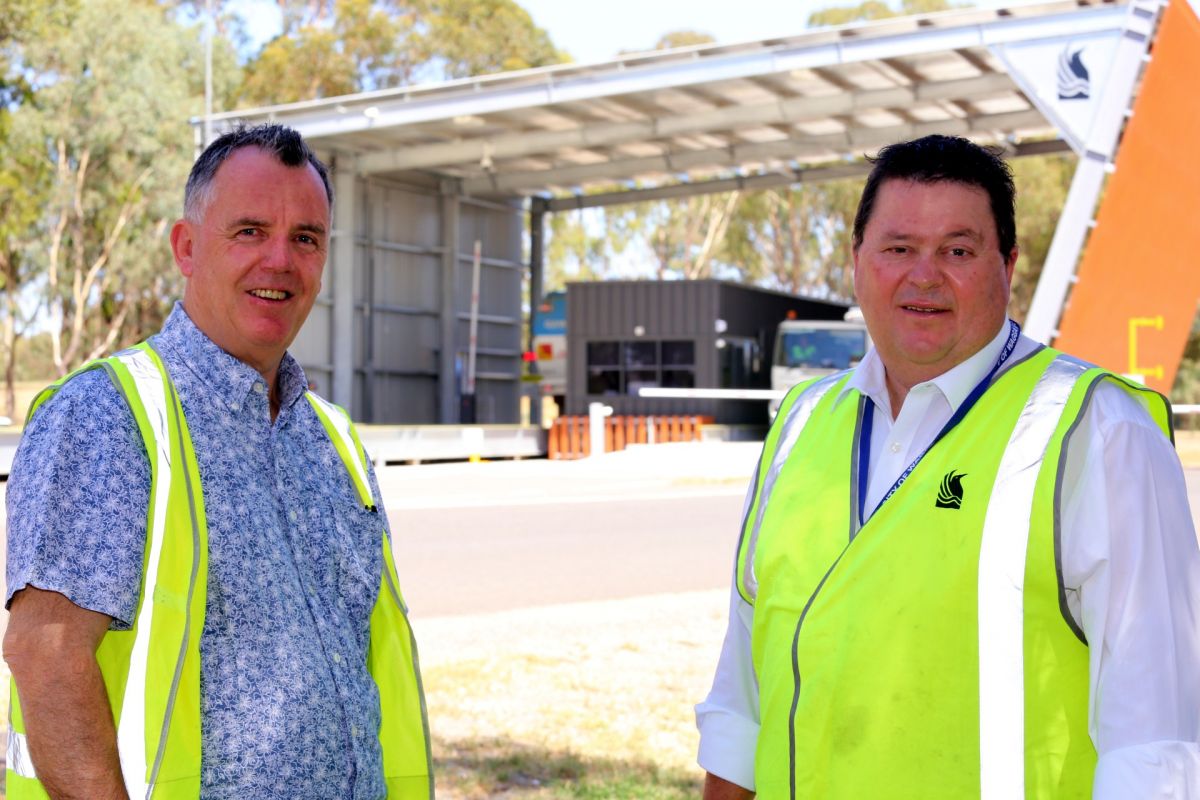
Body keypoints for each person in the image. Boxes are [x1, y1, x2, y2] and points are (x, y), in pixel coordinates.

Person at [695, 135, 1200, 799]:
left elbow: (1156, 750)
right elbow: (743, 696)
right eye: (899, 249)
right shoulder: (800, 424)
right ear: (856, 262)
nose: (924, 275)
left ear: (1007, 264)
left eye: (958, 251)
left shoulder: (1099, 434)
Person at [4, 124, 432, 799]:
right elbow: (46, 655)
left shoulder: (334, 441)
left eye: (305, 238)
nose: (280, 262)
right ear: (186, 247)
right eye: (249, 231)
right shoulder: (109, 415)